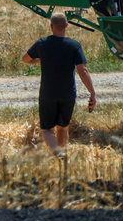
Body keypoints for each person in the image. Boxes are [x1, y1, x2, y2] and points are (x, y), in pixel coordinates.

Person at [22, 11, 96, 158]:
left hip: (47, 94)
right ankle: (62, 154)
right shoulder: (74, 45)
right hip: (68, 94)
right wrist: (92, 93)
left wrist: (38, 60)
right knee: (63, 127)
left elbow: (25, 59)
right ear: (66, 25)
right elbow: (83, 70)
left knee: (47, 129)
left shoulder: (42, 44)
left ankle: (58, 153)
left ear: (51, 26)